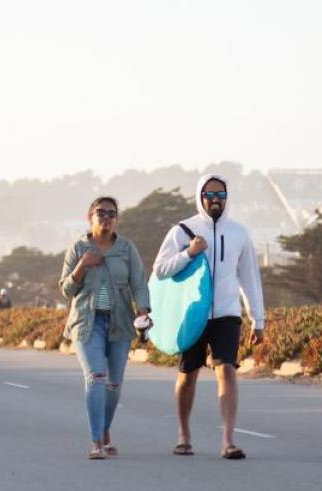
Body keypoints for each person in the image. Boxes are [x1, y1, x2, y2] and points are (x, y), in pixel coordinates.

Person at [152, 173, 265, 460]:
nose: (215, 200)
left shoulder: (239, 232)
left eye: (220, 195)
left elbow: (249, 277)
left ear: (227, 198)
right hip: (192, 313)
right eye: (210, 195)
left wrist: (258, 318)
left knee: (226, 369)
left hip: (227, 313)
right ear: (200, 196)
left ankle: (228, 440)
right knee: (187, 375)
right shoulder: (182, 230)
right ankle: (184, 435)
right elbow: (161, 270)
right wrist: (189, 253)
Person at [59, 196, 150, 460]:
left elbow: (139, 283)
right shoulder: (78, 248)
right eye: (101, 212)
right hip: (88, 323)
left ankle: (105, 430)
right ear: (90, 216)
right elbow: (66, 289)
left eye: (112, 213)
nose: (106, 217)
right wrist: (82, 266)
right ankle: (96, 441)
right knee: (96, 377)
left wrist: (143, 308)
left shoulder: (126, 248)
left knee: (114, 383)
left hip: (120, 320)